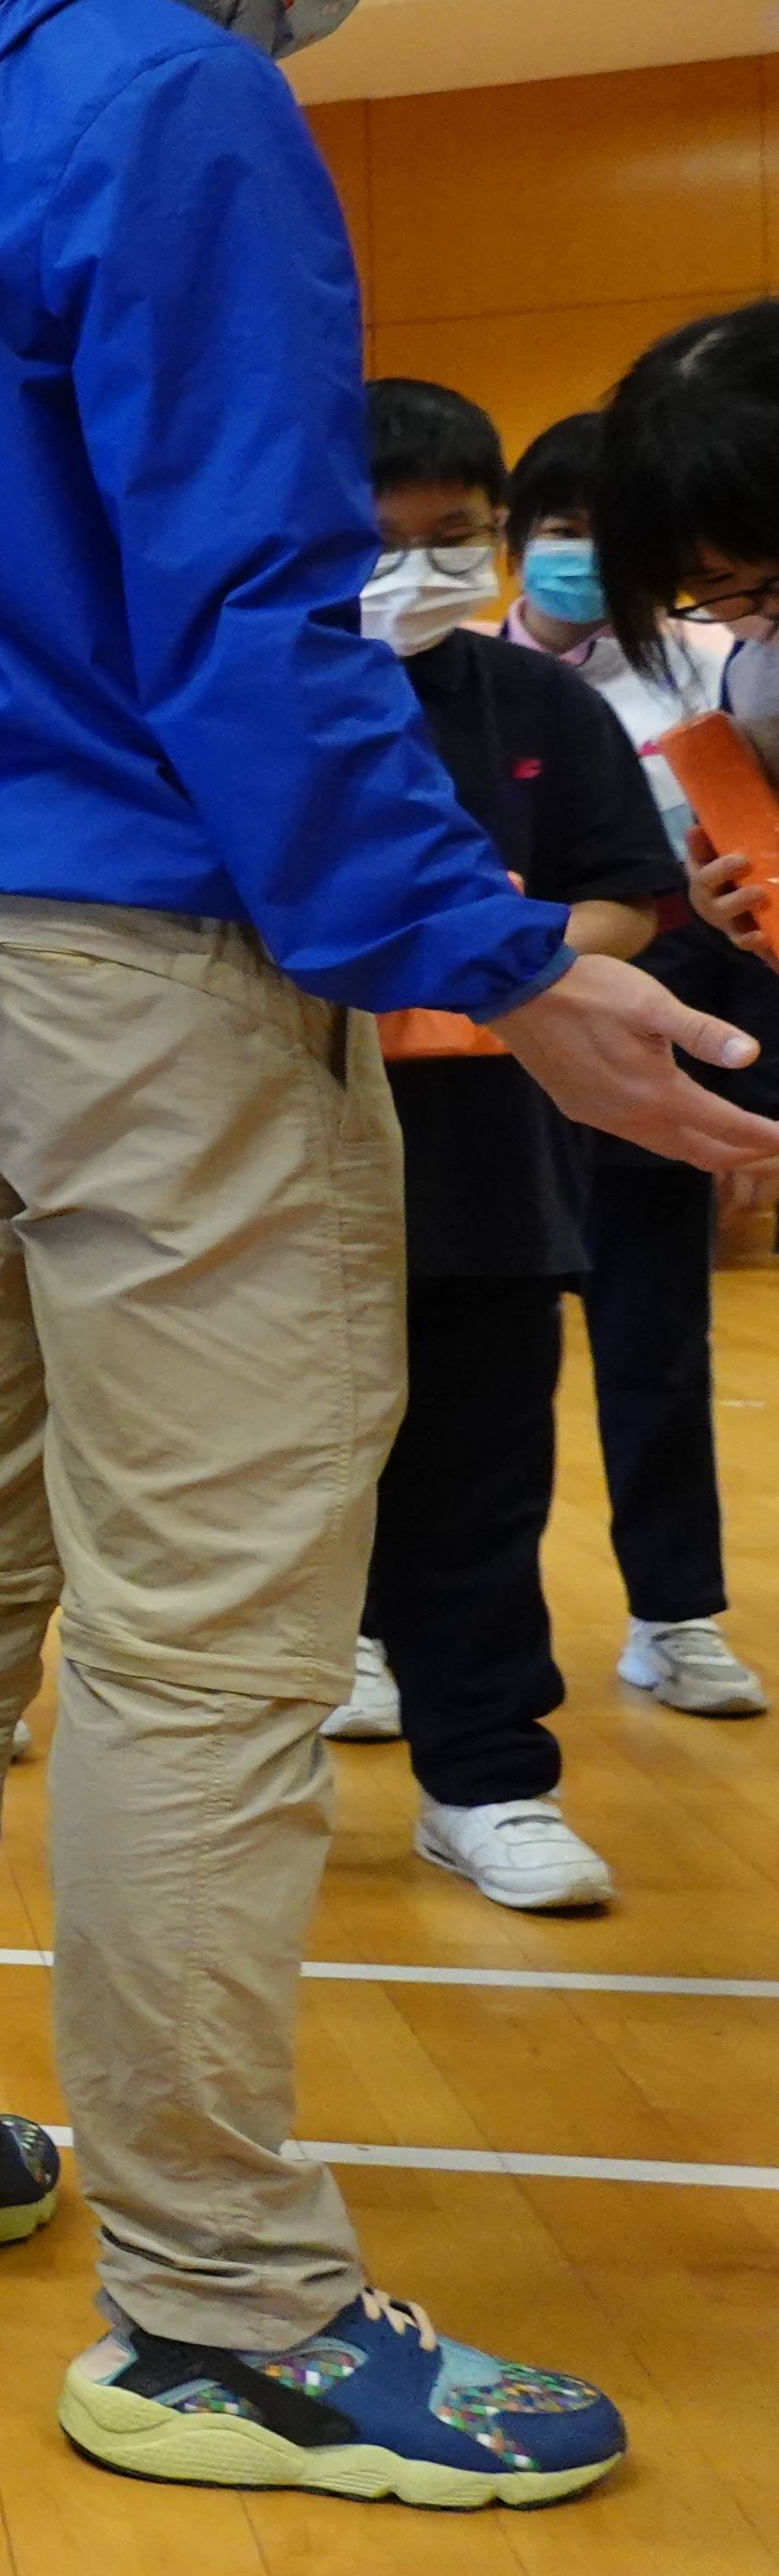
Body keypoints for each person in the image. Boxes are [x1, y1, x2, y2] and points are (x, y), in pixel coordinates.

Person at [0, 0, 758, 2502]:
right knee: (205, 1641)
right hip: (144, 969)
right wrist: (499, 964)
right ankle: (212, 2306)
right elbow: (247, 625)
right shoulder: (173, 101)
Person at [318, 383, 677, 1912]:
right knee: (277, 1495)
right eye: (380, 543)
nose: (418, 570)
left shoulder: (541, 708)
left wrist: (498, 961)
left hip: (487, 1174)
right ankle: (272, 1745)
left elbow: (627, 898)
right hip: (282, 1176)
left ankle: (487, 1781)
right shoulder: (257, 710)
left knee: (479, 1485)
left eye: (452, 538)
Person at [519, 357, 779, 1726]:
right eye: (556, 527)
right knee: (464, 1368)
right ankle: (392, 1628)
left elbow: (745, 893)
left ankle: (676, 1613)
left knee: (657, 1347)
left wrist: (748, 1081)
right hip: (484, 1058)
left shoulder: (710, 677)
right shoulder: (447, 678)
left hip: (664, 1038)